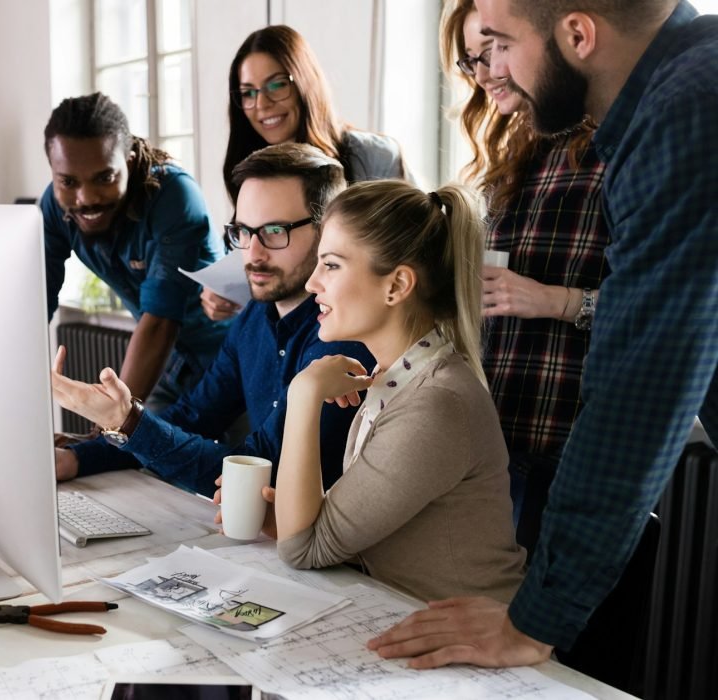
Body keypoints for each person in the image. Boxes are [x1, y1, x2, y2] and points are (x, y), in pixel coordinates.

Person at [368, 0, 718, 670]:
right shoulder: (677, 94)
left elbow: (639, 390)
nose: (493, 72)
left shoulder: (688, 110)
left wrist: (534, 621)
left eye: (499, 43)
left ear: (578, 34)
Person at [51, 143, 376, 496]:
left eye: (274, 231)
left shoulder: (344, 335)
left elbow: (262, 469)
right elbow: (195, 416)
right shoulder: (255, 315)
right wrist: (78, 458)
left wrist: (128, 422)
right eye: (244, 232)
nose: (252, 254)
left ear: (326, 231)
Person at [270, 180, 525, 602]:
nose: (313, 283)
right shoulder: (398, 377)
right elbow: (334, 531)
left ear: (396, 286)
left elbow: (303, 548)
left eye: (331, 265)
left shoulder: (435, 404)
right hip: (406, 623)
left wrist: (304, 392)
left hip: (473, 652)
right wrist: (284, 514)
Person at [441, 0, 610, 529]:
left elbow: (665, 313)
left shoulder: (614, 149)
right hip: (497, 432)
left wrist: (554, 301)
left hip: (573, 435)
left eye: (496, 50)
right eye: (473, 59)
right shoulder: (510, 156)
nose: (486, 72)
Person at [203, 25, 411, 323]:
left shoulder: (371, 157)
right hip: (283, 336)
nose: (262, 104)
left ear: (304, 82)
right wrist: (223, 293)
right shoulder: (250, 171)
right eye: (248, 93)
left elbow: (408, 253)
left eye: (276, 85)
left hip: (362, 332)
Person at [41, 92, 229, 410]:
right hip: (170, 364)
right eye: (68, 181)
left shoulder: (174, 196)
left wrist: (114, 423)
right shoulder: (55, 206)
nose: (85, 198)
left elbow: (159, 323)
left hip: (228, 356)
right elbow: (35, 301)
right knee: (124, 455)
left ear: (128, 162)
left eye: (105, 178)